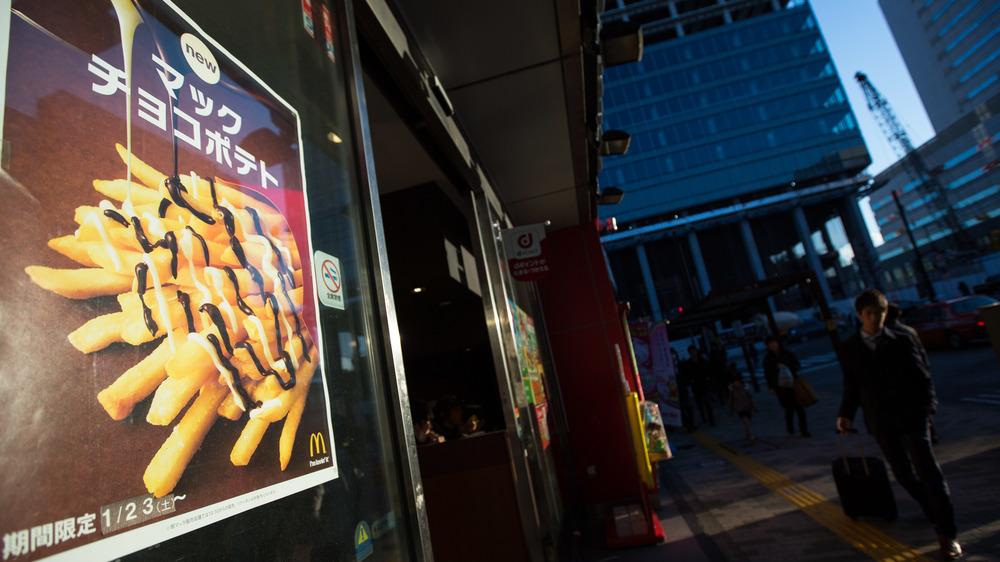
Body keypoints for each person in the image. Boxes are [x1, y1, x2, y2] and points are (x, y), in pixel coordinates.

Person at [838, 289, 961, 560]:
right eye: (869, 313)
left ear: (885, 313)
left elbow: (923, 375)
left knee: (928, 471)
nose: (874, 318)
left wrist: (929, 405)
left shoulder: (903, 338)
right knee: (903, 474)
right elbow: (852, 386)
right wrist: (846, 414)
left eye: (879, 313)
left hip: (912, 414)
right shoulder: (850, 349)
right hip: (880, 420)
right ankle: (933, 510)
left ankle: (946, 534)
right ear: (859, 315)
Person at [886, 301, 938, 444]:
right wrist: (925, 368)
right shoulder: (908, 330)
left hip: (900, 377)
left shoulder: (887, 333)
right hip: (916, 371)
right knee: (922, 407)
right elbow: (921, 352)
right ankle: (931, 434)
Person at [762, 335, 811, 437]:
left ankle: (804, 430)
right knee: (789, 408)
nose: (772, 345)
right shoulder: (768, 359)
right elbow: (768, 374)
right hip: (780, 386)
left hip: (793, 383)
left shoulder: (787, 354)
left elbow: (796, 365)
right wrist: (771, 387)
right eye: (770, 343)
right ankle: (790, 427)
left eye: (774, 342)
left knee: (800, 407)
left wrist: (786, 366)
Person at [682, 346, 716, 427]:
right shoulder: (688, 363)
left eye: (694, 351)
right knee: (700, 404)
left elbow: (708, 370)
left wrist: (709, 379)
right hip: (696, 386)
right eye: (691, 352)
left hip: (705, 384)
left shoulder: (702, 360)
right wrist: (691, 381)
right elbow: (687, 374)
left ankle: (711, 420)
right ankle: (704, 418)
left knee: (708, 403)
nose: (693, 353)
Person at [727, 376, 759, 444]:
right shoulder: (732, 391)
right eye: (735, 382)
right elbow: (731, 401)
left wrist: (754, 407)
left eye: (738, 382)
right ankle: (751, 436)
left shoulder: (745, 389)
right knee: (746, 423)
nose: (737, 384)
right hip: (739, 409)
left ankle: (748, 433)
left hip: (747, 408)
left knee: (748, 423)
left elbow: (750, 399)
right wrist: (730, 410)